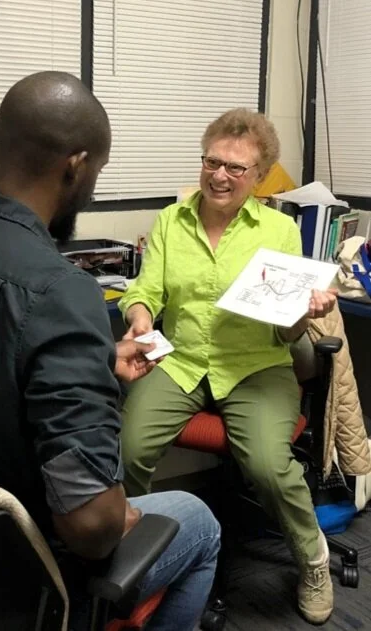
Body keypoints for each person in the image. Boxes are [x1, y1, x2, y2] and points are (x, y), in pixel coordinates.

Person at [0, 71, 219, 631]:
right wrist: (123, 516)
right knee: (199, 522)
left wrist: (94, 362)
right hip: (23, 580)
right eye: (97, 173)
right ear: (76, 165)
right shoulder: (60, 292)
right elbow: (91, 529)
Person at [118, 108, 337, 625]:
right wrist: (140, 317)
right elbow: (145, 289)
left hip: (256, 366)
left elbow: (285, 333)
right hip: (182, 361)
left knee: (267, 465)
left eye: (236, 168)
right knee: (129, 447)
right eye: (212, 162)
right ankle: (132, 550)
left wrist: (304, 313)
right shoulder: (172, 221)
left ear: (258, 177)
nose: (220, 175)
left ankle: (313, 560)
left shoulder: (280, 230)